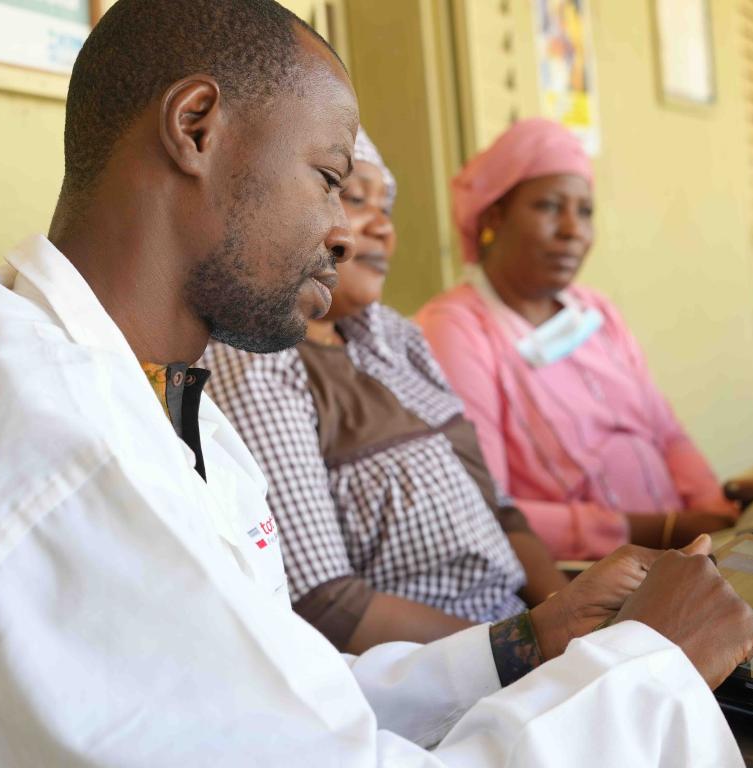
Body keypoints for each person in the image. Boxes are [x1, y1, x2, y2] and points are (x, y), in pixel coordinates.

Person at [0, 2, 753, 765]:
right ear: (196, 127)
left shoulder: (136, 384)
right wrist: (655, 665)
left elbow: (285, 697)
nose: (342, 231)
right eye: (330, 178)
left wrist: (530, 641)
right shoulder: (53, 438)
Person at [204, 127, 569, 653]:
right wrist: (538, 646)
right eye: (353, 197)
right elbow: (325, 605)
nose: (380, 230)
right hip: (434, 681)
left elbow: (502, 511)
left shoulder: (398, 339)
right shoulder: (259, 359)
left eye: (387, 209)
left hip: (519, 637)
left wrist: (575, 629)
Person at [417, 118, 738, 562]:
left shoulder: (597, 312)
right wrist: (656, 531)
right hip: (579, 578)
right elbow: (483, 504)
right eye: (550, 206)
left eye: (585, 211)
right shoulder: (455, 330)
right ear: (493, 216)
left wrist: (714, 514)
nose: (572, 229)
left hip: (679, 554)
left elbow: (666, 432)